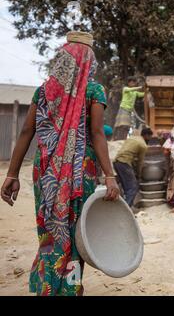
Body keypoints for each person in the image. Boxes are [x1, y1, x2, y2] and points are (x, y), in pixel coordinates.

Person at [0, 31, 120, 296]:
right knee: (76, 235)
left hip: (46, 172)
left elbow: (26, 132)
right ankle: (69, 288)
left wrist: (12, 173)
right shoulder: (94, 90)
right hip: (80, 173)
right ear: (88, 62)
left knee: (50, 230)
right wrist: (110, 175)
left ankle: (47, 284)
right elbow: (98, 134)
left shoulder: (44, 91)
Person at [113, 128, 152, 206]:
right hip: (124, 163)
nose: (150, 139)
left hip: (116, 162)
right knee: (133, 188)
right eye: (150, 136)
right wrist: (139, 175)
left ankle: (123, 207)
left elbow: (130, 154)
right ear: (147, 135)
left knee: (126, 188)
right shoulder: (143, 145)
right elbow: (140, 162)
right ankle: (126, 210)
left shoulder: (132, 138)